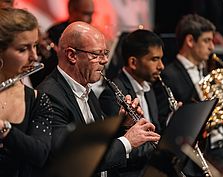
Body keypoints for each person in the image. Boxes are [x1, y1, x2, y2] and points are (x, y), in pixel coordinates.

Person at [37, 21, 160, 177]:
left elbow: (99, 145)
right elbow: (74, 159)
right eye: (96, 55)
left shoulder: (87, 90)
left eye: (105, 53)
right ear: (72, 55)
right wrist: (127, 142)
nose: (104, 61)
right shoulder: (49, 95)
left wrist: (123, 124)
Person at [154, 14, 223, 176]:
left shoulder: (209, 70)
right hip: (199, 155)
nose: (212, 47)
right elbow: (164, 122)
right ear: (190, 41)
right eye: (207, 41)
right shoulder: (169, 75)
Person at [99, 29, 165, 176]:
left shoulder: (149, 88)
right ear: (133, 62)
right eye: (154, 59)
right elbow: (114, 151)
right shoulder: (112, 94)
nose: (161, 66)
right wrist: (162, 147)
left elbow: (155, 129)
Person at [0, 8, 53, 177]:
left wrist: (4, 129)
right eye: (23, 49)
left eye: (35, 46)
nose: (35, 56)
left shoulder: (37, 99)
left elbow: (40, 153)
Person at [29, 0, 94, 88]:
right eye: (86, 14)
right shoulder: (54, 33)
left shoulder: (91, 34)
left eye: (92, 14)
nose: (90, 19)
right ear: (72, 10)